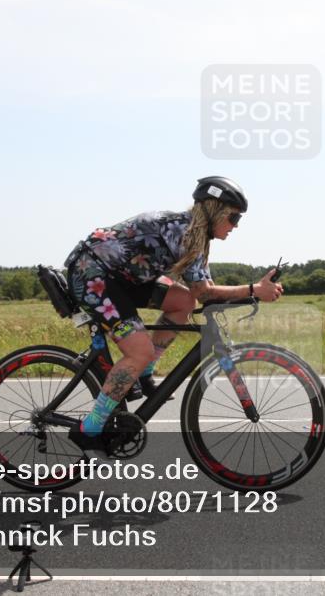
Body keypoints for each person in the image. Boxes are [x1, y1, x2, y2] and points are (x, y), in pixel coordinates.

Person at [63, 176, 284, 458]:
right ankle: (90, 429)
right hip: (92, 274)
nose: (235, 226)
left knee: (183, 301)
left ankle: (142, 377)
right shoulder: (185, 232)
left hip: (122, 277)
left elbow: (201, 291)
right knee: (138, 350)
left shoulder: (196, 236)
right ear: (215, 209)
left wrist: (252, 293)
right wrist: (254, 289)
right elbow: (207, 293)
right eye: (234, 218)